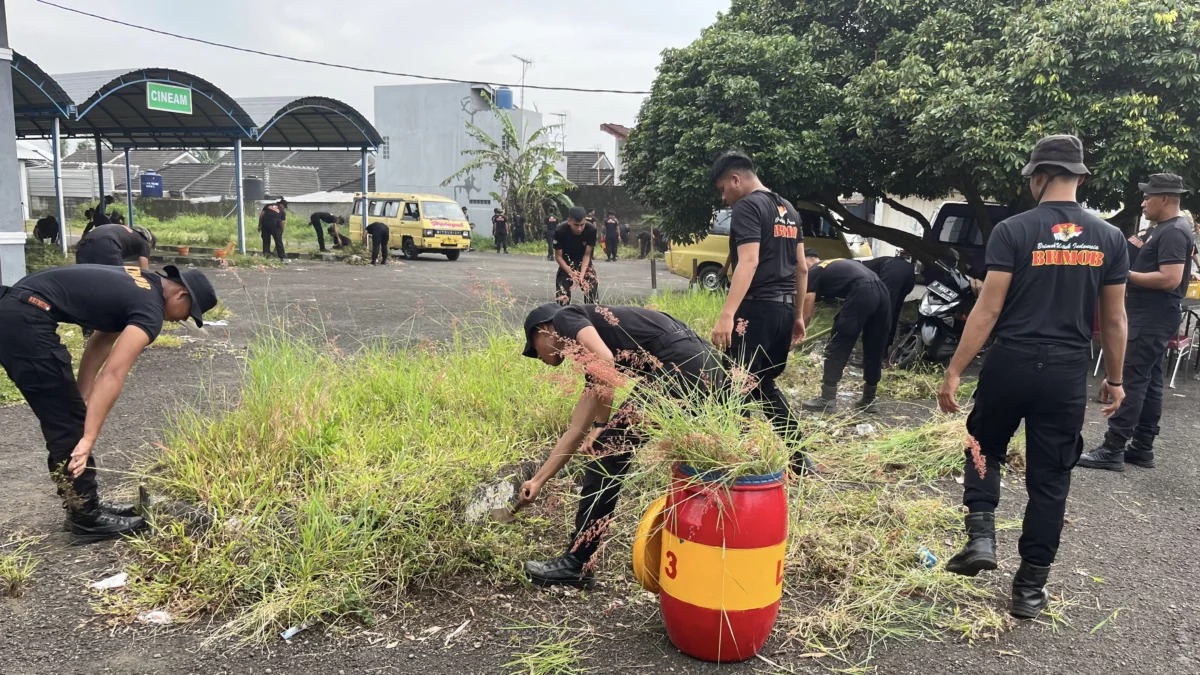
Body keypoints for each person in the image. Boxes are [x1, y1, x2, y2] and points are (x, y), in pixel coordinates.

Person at [936, 134, 1129, 620]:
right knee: (1051, 479)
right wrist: (1116, 378)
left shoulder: (1013, 231)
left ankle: (981, 534)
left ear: (1037, 178)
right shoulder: (1110, 239)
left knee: (984, 444)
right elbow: (1115, 320)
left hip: (1012, 361)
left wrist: (954, 370)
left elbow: (987, 308)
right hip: (1066, 372)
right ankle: (1029, 588)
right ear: (1081, 179)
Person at [0, 264, 217, 543]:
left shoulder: (138, 282)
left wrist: (83, 395)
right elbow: (113, 374)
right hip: (26, 320)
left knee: (70, 415)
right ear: (181, 295)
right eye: (186, 314)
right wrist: (88, 435)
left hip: (14, 308)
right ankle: (86, 519)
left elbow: (101, 340)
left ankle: (84, 507)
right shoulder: (151, 309)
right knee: (67, 425)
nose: (179, 321)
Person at [516, 302, 726, 588]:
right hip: (705, 365)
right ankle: (716, 555)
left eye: (533, 349)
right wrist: (539, 480)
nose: (537, 357)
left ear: (543, 330)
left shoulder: (565, 317)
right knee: (713, 460)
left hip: (681, 367)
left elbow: (606, 360)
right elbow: (576, 430)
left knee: (606, 454)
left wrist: (602, 426)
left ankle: (576, 564)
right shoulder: (592, 358)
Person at [1079, 174, 1195, 472]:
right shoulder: (1164, 229)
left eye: (1148, 197)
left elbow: (1170, 279)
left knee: (1130, 379)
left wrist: (1123, 276)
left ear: (1165, 198)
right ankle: (1142, 447)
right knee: (1150, 382)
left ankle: (1113, 448)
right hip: (1154, 316)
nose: (1143, 203)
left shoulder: (1173, 232)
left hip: (1151, 317)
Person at [708, 151, 812, 473]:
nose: (725, 198)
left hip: (755, 311)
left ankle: (740, 459)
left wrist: (727, 315)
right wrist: (796, 316)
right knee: (762, 384)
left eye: (724, 189)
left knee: (734, 385)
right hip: (781, 313)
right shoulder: (789, 210)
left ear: (736, 180)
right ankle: (799, 457)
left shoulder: (748, 207)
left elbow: (749, 262)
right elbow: (803, 268)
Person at [798, 254, 891, 413]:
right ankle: (869, 400)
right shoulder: (837, 261)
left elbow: (806, 312)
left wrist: (797, 335)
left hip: (863, 290)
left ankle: (827, 399)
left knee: (839, 342)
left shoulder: (813, 271)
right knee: (875, 345)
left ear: (806, 261)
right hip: (882, 290)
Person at [862, 255, 917, 351]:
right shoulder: (866, 265)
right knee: (894, 310)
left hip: (892, 271)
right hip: (908, 272)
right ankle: (885, 346)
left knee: (884, 311)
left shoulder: (859, 271)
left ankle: (877, 349)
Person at [553, 207, 599, 305]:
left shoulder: (591, 230)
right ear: (569, 221)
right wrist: (572, 274)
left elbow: (587, 255)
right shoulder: (560, 230)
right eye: (576, 225)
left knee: (592, 298)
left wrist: (581, 276)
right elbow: (558, 257)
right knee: (562, 298)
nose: (579, 228)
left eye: (582, 225)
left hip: (584, 263)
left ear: (585, 221)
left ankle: (591, 318)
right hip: (566, 263)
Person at [76, 223, 153, 270]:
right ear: (150, 241)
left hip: (85, 243)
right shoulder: (144, 240)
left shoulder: (124, 231)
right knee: (117, 279)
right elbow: (144, 269)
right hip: (107, 243)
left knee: (86, 277)